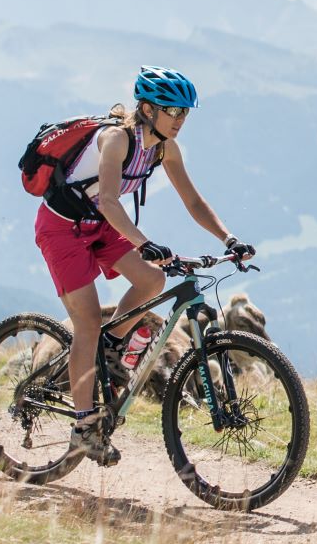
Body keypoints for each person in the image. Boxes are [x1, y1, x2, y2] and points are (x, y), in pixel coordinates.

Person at [33, 67, 254, 466]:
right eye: (172, 110)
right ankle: (83, 427)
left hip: (101, 226)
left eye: (185, 112)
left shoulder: (164, 147)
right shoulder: (117, 139)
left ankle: (111, 346)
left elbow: (194, 202)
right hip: (62, 228)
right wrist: (145, 243)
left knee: (152, 279)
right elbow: (109, 202)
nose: (180, 119)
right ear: (148, 109)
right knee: (85, 322)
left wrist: (229, 240)